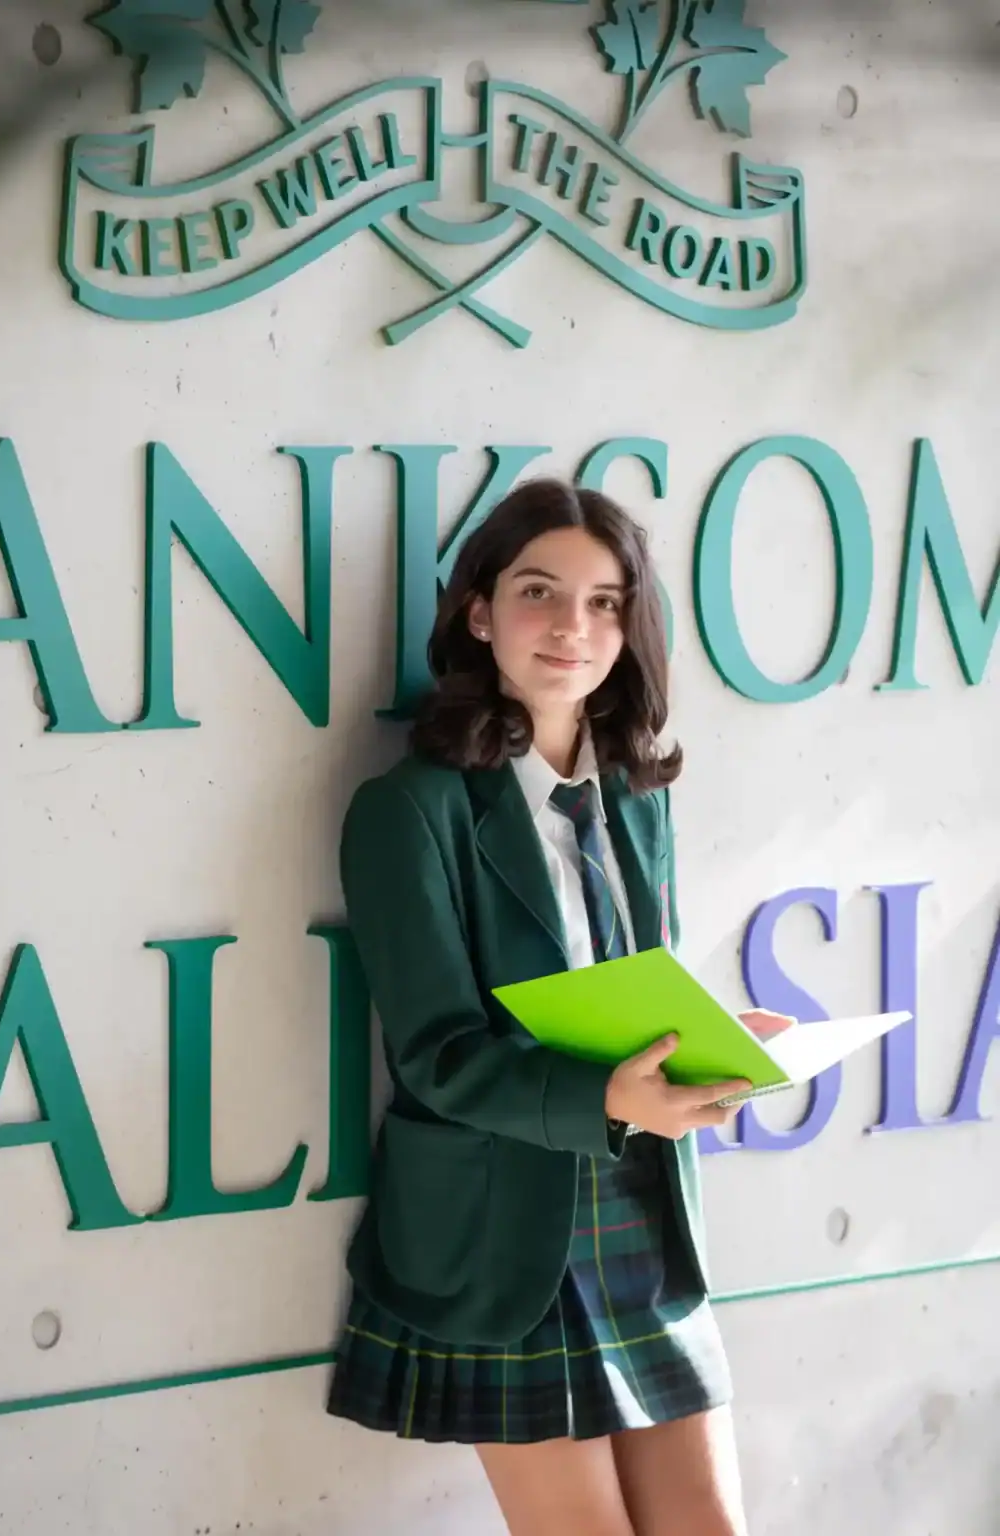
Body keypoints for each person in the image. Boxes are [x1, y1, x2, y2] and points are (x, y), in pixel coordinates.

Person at [326, 478, 792, 1535]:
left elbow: (629, 984)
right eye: (540, 592)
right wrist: (615, 1101)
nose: (572, 628)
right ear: (479, 612)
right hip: (501, 1226)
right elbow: (440, 1054)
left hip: (640, 1209)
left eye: (604, 602)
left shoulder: (636, 792)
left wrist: (709, 1045)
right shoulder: (409, 811)